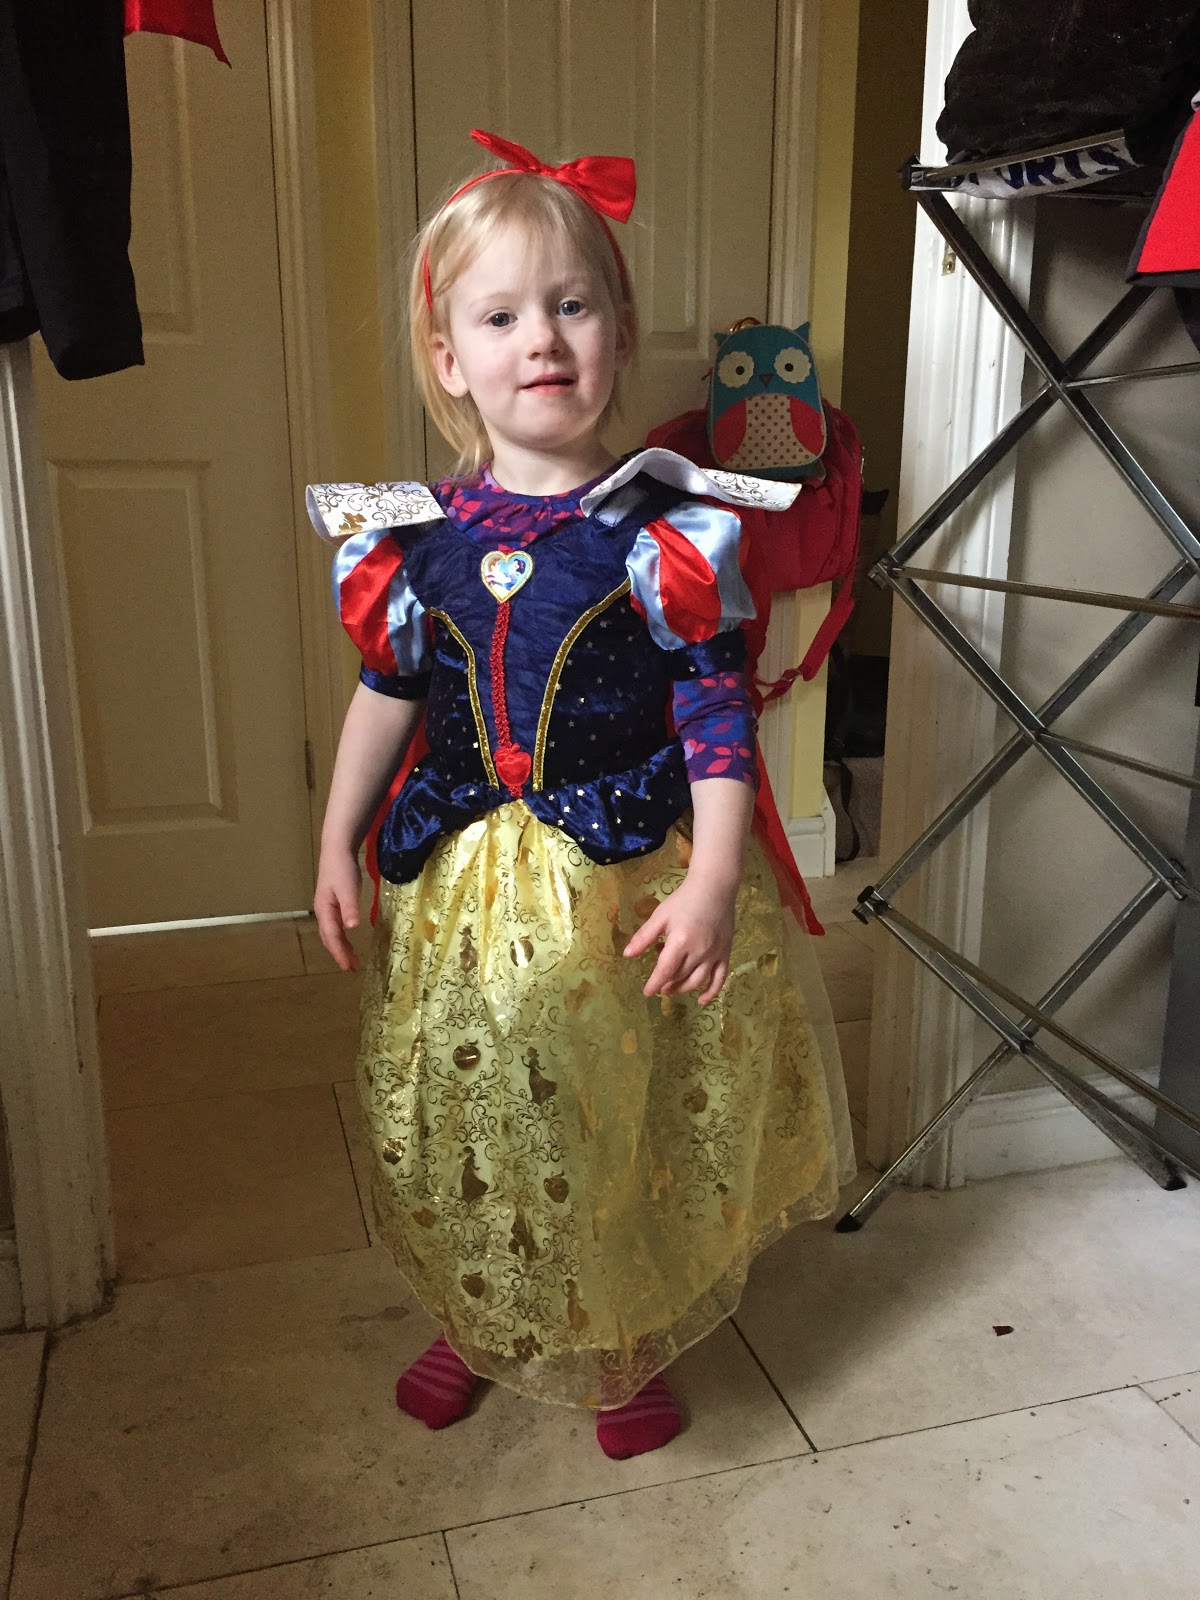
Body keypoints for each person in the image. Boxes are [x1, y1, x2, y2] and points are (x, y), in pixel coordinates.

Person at [307, 128, 857, 1461]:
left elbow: (716, 711)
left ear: (619, 332)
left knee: (611, 1108)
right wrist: (334, 838)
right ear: (449, 357)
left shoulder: (669, 530)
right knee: (466, 1104)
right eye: (499, 316)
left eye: (572, 305)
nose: (541, 339)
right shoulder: (411, 538)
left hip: (622, 880)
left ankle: (619, 1335)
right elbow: (387, 691)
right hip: (458, 891)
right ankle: (482, 1309)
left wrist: (714, 880)